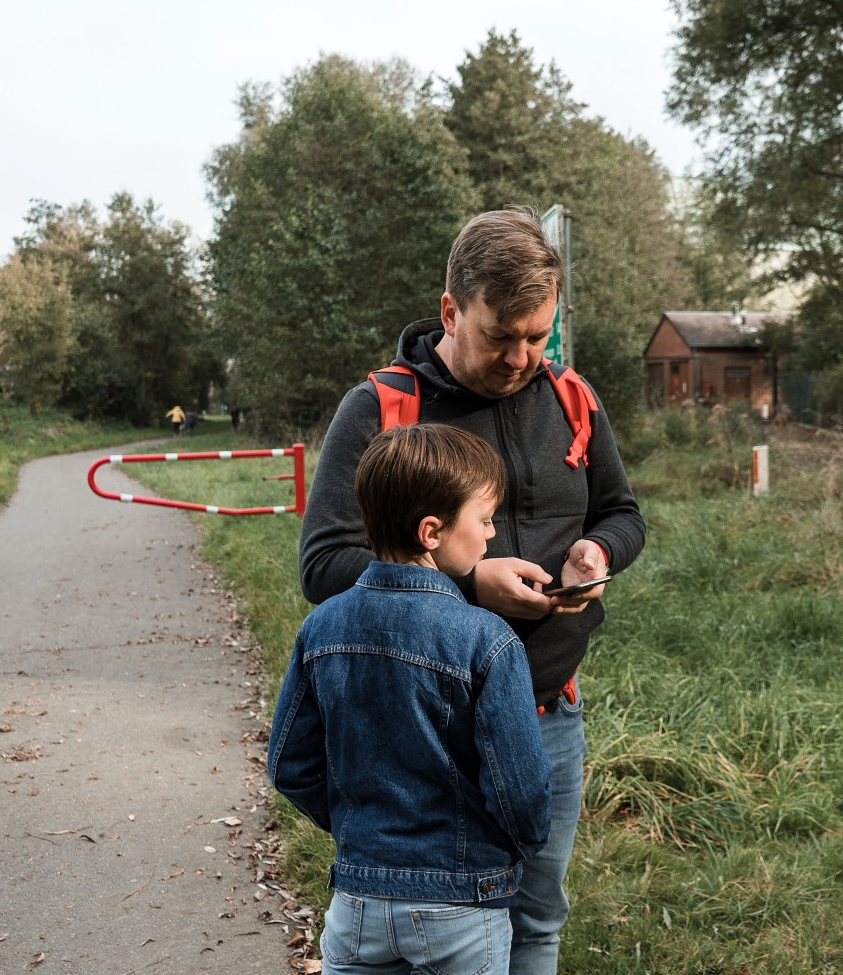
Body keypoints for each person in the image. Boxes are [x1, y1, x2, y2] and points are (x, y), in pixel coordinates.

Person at [299, 207, 646, 974]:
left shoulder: (572, 399)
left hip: (546, 711)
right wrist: (468, 583)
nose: (523, 356)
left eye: (539, 335)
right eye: (501, 336)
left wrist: (597, 550)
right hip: (418, 726)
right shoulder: (383, 412)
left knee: (536, 919)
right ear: (453, 312)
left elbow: (622, 512)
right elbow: (323, 565)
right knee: (431, 919)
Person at [270, 424, 552, 975]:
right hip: (463, 908)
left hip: (357, 905)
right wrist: (514, 849)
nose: (492, 535)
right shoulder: (487, 639)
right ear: (431, 531)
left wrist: (362, 829)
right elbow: (520, 792)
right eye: (485, 519)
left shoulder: (321, 627)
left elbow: (290, 767)